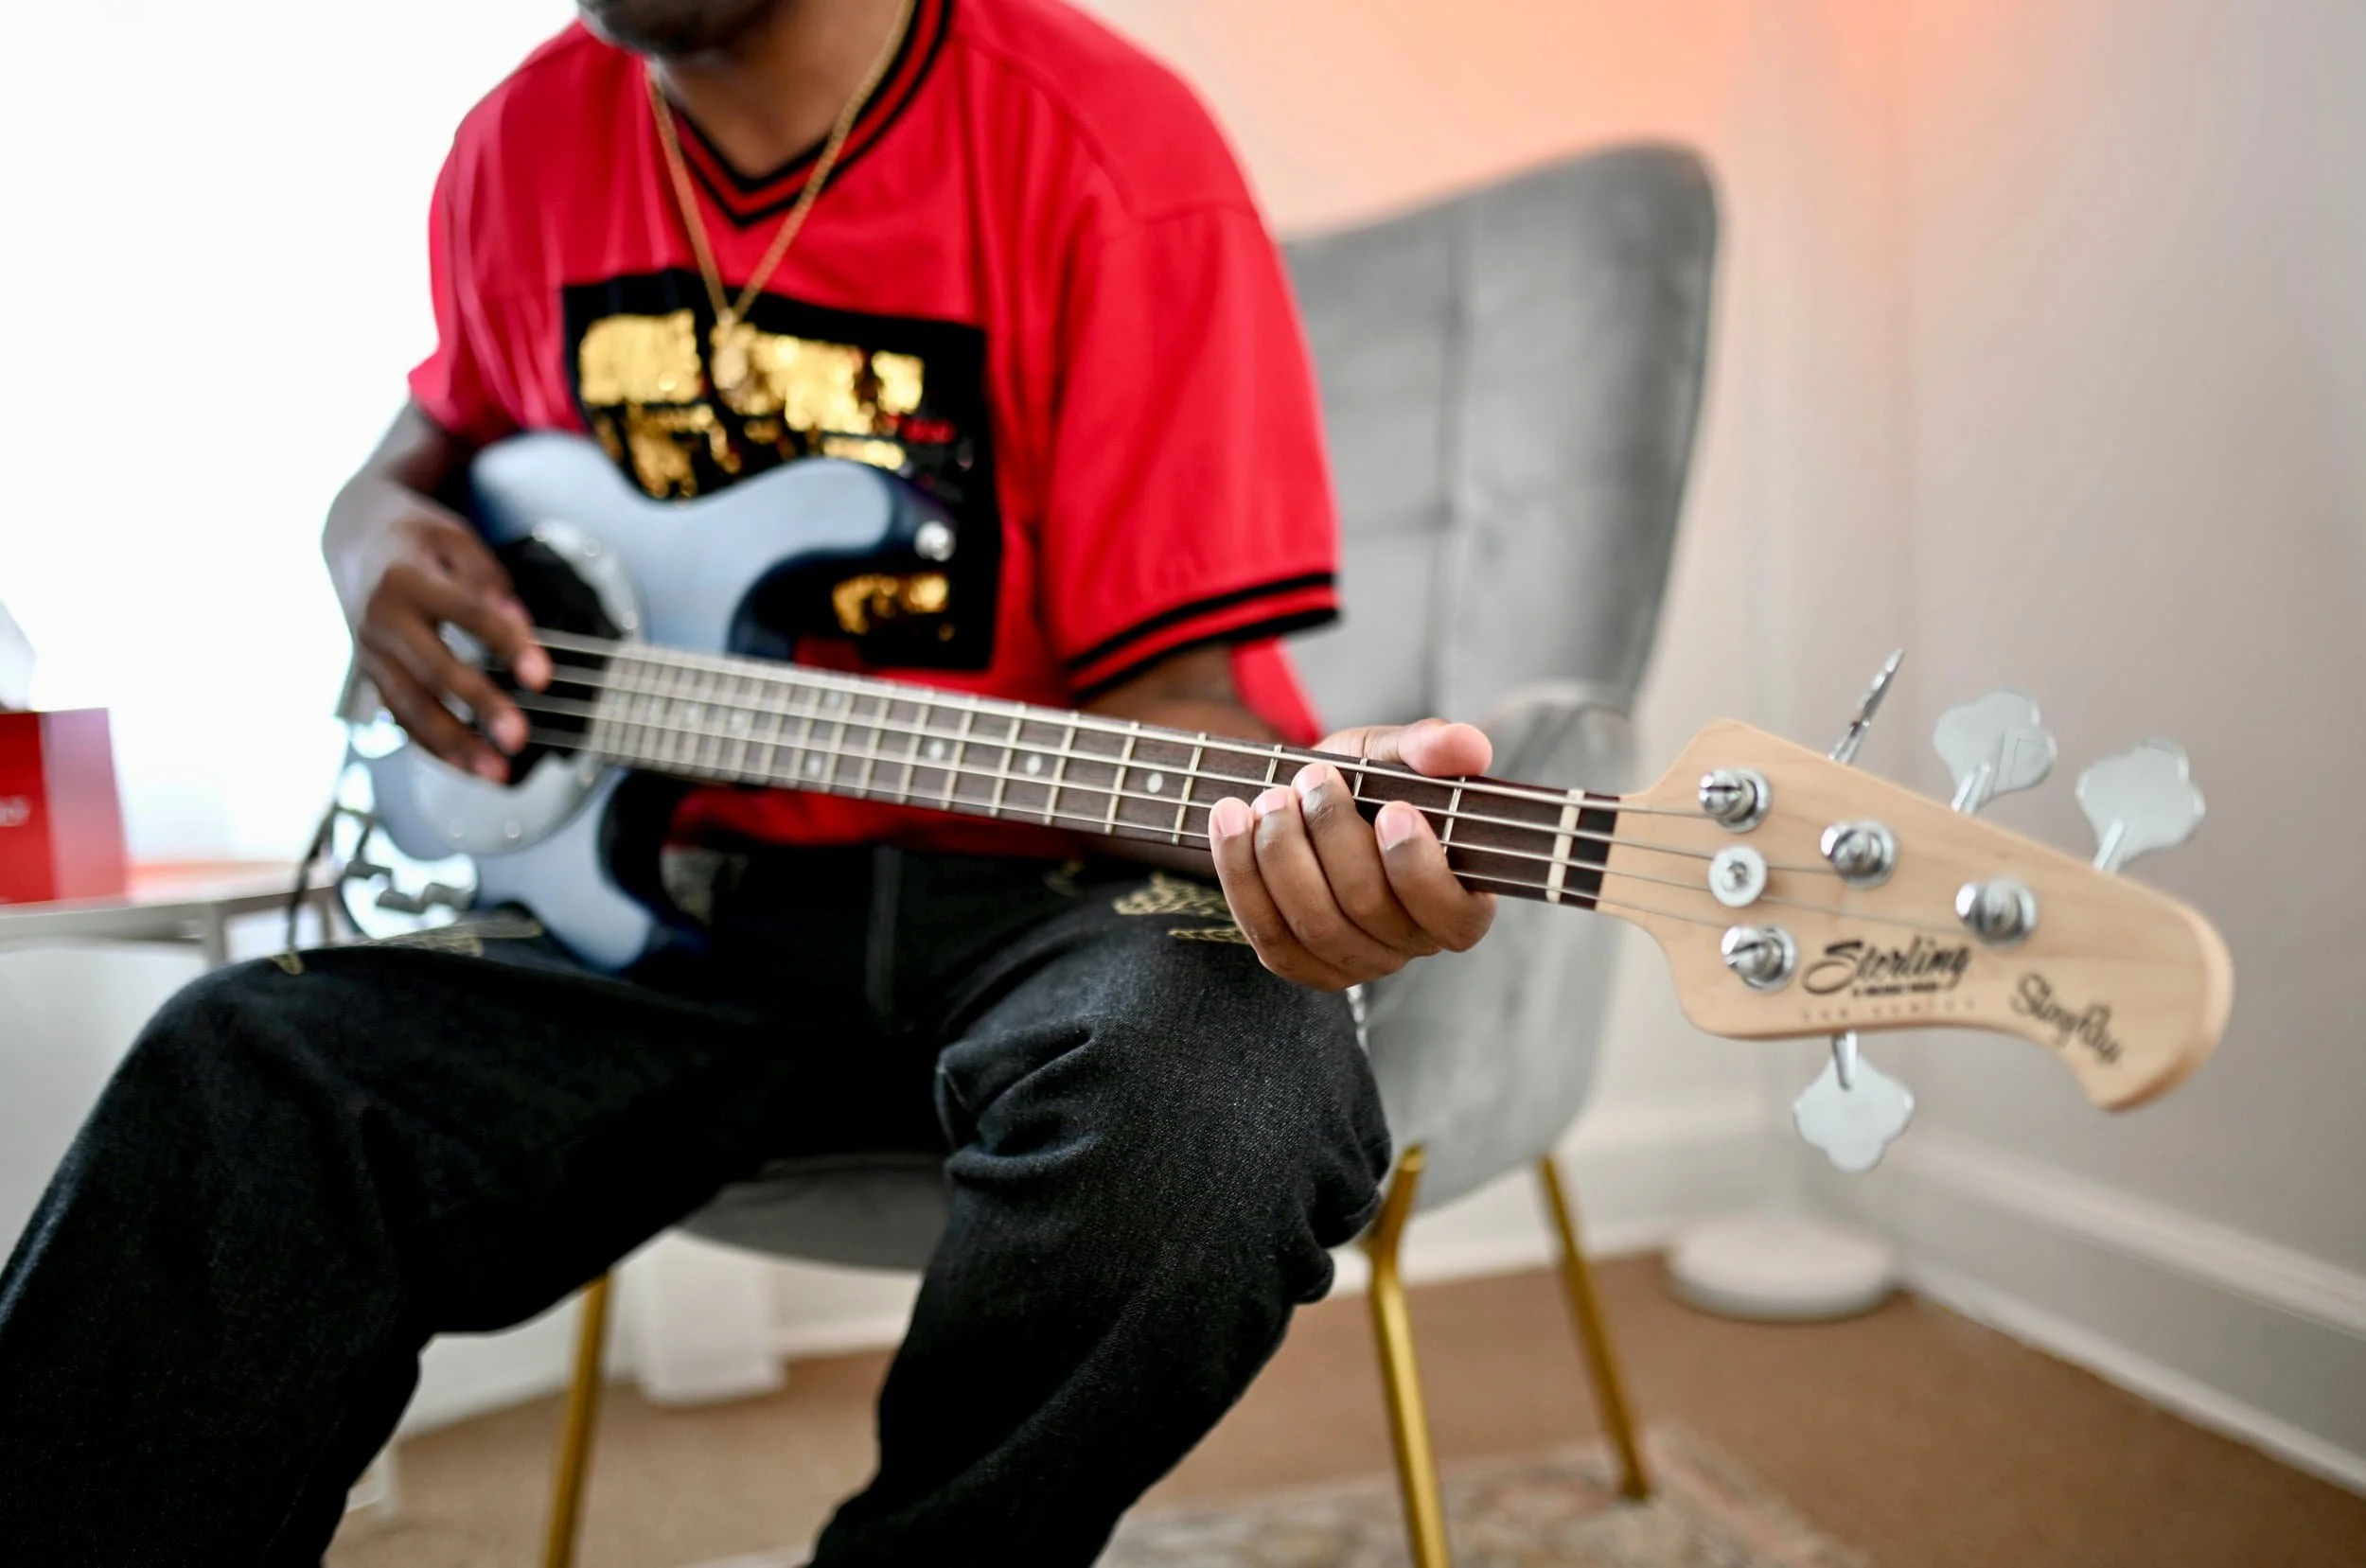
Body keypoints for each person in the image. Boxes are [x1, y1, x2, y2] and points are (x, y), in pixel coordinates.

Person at [0, 1, 1500, 1560]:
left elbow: (1174, 698)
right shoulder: (519, 142)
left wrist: (1328, 831)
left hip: (1054, 904)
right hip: (662, 929)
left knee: (1230, 1099)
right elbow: (438, 429)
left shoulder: (1104, 142)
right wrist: (361, 527)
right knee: (240, 1068)